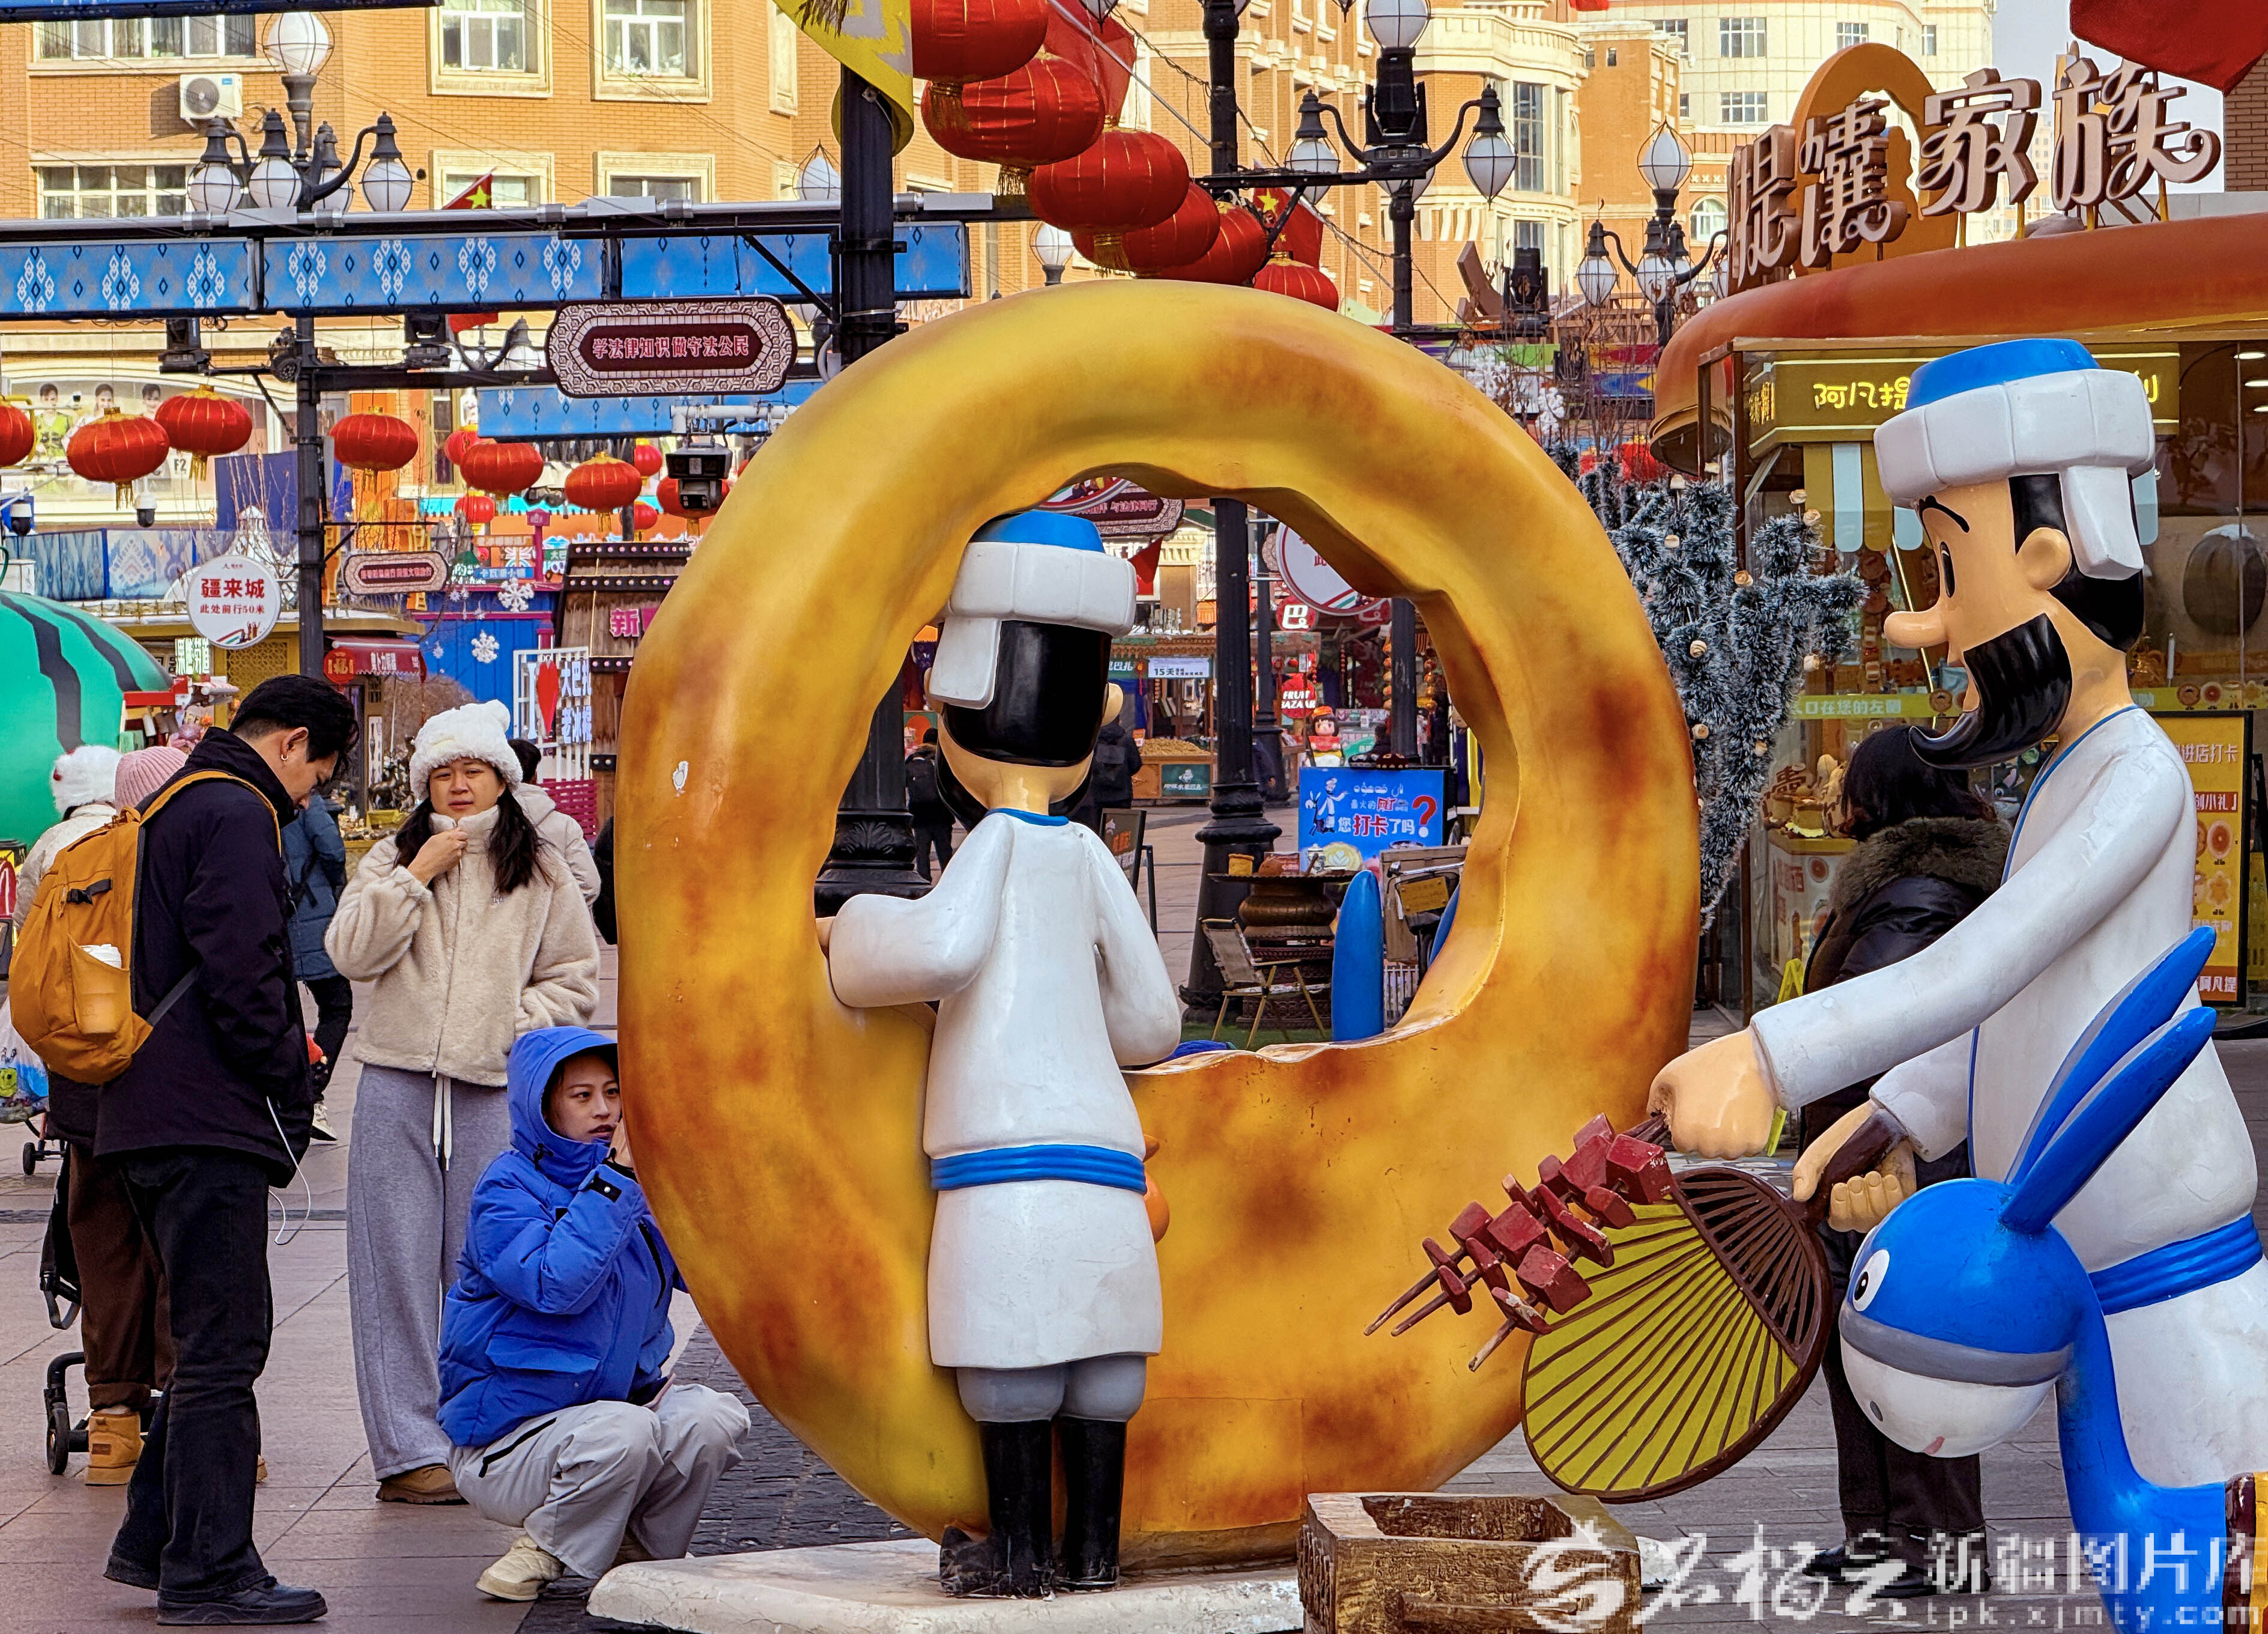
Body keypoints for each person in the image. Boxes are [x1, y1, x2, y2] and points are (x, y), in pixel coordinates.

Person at [1648, 339, 2268, 1490]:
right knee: (2131, 1521)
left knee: (2203, 1543)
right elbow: (2027, 1004)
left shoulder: (2138, 775)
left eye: (1944, 569)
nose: (1919, 626)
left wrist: (1770, 1056)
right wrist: (1897, 1111)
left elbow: (1987, 960)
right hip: (2080, 1241)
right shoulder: (2070, 774)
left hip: (2158, 1250)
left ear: (2043, 560)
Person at [823, 512, 1182, 1597]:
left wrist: (852, 929)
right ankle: (1094, 1559)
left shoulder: (992, 845)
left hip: (1002, 1161)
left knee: (1012, 1377)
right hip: (1104, 1160)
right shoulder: (1088, 854)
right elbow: (1152, 1024)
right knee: (1105, 1374)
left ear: (956, 711)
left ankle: (1023, 1561)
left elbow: (937, 948)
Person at [97, 673, 356, 1626]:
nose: (310, 798)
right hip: (202, 1111)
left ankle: (153, 1541)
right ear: (291, 744)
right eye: (318, 776)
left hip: (142, 1106)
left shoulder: (172, 799)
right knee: (224, 1344)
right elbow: (246, 970)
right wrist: (290, 1079)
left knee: (211, 1335)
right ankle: (210, 1571)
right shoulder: (238, 811)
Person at [327, 699, 601, 1505]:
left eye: (472, 770)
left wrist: (515, 1024)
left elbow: (574, 977)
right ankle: (408, 1449)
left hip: (494, 1088)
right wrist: (415, 877)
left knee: (489, 1264)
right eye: (442, 772)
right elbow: (349, 953)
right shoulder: (392, 859)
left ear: (501, 779)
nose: (457, 785)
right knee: (392, 1266)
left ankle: (484, 1436)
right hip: (395, 1081)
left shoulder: (539, 866)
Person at [1796, 727, 2006, 1596]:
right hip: (1863, 1149)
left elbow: (1866, 1018)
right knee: (1858, 1345)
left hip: (1896, 1156)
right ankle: (1880, 1534)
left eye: (1853, 784)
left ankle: (1937, 1543)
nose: (1839, 799)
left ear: (1884, 795)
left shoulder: (1921, 890)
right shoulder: (1901, 885)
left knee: (1909, 1347)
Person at [438, 1027, 748, 1600]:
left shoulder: (640, 1180)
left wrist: (709, 1170)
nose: (605, 1111)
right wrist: (618, 1181)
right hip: (507, 1444)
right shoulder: (506, 1190)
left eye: (614, 1092)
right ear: (544, 1108)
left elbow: (717, 1276)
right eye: (582, 1097)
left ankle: (643, 1553)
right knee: (623, 1430)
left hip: (609, 1420)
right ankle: (547, 1547)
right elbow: (555, 1286)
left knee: (711, 1419)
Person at [283, 777, 350, 1144]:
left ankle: (291, 1096)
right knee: (337, 1006)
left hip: (277, 916)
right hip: (313, 914)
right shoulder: (308, 800)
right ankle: (311, 1090)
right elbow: (333, 850)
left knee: (285, 1012)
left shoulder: (256, 798)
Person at [509, 738, 601, 905]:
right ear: (535, 776)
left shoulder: (482, 822)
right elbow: (589, 884)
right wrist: (554, 913)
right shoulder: (565, 825)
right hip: (559, 918)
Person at [906, 727, 954, 880]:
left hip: (920, 815)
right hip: (941, 814)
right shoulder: (942, 758)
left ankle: (924, 882)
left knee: (922, 853)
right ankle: (948, 882)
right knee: (945, 852)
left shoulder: (912, 759)